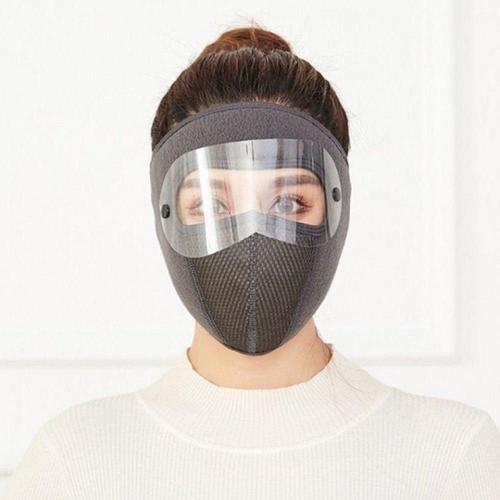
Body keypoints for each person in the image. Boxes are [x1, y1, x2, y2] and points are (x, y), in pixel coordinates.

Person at [3, 25, 500, 500]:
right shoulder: (75, 464)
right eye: (212, 205)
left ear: (336, 209)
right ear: (167, 215)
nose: (253, 239)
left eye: (288, 203)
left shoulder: (452, 457)